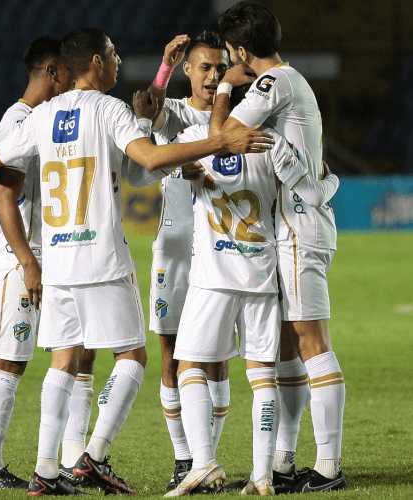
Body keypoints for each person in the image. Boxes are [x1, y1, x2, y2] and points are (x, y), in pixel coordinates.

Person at [0, 28, 273, 497]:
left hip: (55, 261)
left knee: (62, 361)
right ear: (96, 62)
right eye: (114, 55)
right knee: (133, 359)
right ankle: (93, 456)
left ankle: (45, 471)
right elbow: (150, 157)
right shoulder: (109, 109)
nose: (119, 63)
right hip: (100, 259)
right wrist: (216, 145)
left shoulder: (44, 115)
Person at [163, 82, 340, 496]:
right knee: (263, 376)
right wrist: (330, 182)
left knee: (188, 366)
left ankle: (203, 462)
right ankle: (263, 474)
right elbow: (309, 192)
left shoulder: (196, 140)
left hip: (213, 277)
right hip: (261, 275)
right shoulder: (270, 141)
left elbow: (160, 158)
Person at [211, 2, 347, 493]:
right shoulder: (291, 83)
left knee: (312, 344)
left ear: (242, 51)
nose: (229, 59)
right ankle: (285, 460)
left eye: (231, 53)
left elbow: (222, 136)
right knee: (291, 348)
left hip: (298, 230)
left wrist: (226, 86)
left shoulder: (273, 83)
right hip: (294, 226)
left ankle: (329, 467)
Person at [0, 36, 96, 492]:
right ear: (52, 71)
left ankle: (68, 461)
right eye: (66, 71)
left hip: (56, 258)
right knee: (10, 362)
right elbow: (5, 196)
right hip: (19, 262)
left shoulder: (50, 119)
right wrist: (27, 261)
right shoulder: (20, 120)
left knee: (78, 355)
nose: (71, 79)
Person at [128, 31, 234, 493]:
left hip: (221, 254)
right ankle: (184, 459)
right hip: (175, 252)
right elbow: (146, 108)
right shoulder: (173, 112)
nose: (213, 76)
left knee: (217, 361)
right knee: (171, 357)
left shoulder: (234, 118)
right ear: (189, 70)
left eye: (220, 67)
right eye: (205, 67)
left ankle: (207, 460)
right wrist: (163, 68)